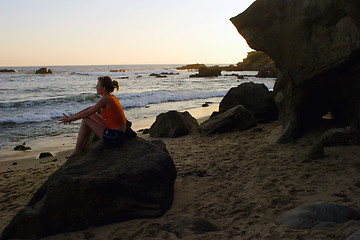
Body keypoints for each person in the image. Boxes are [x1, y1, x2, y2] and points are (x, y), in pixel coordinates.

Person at [59, 76, 126, 159]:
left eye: (98, 86)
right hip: (118, 133)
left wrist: (70, 119)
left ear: (103, 88)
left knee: (86, 120)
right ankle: (83, 146)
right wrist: (71, 117)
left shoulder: (105, 99)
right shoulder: (111, 97)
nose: (96, 87)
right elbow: (89, 109)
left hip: (114, 137)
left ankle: (77, 149)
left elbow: (87, 114)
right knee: (91, 115)